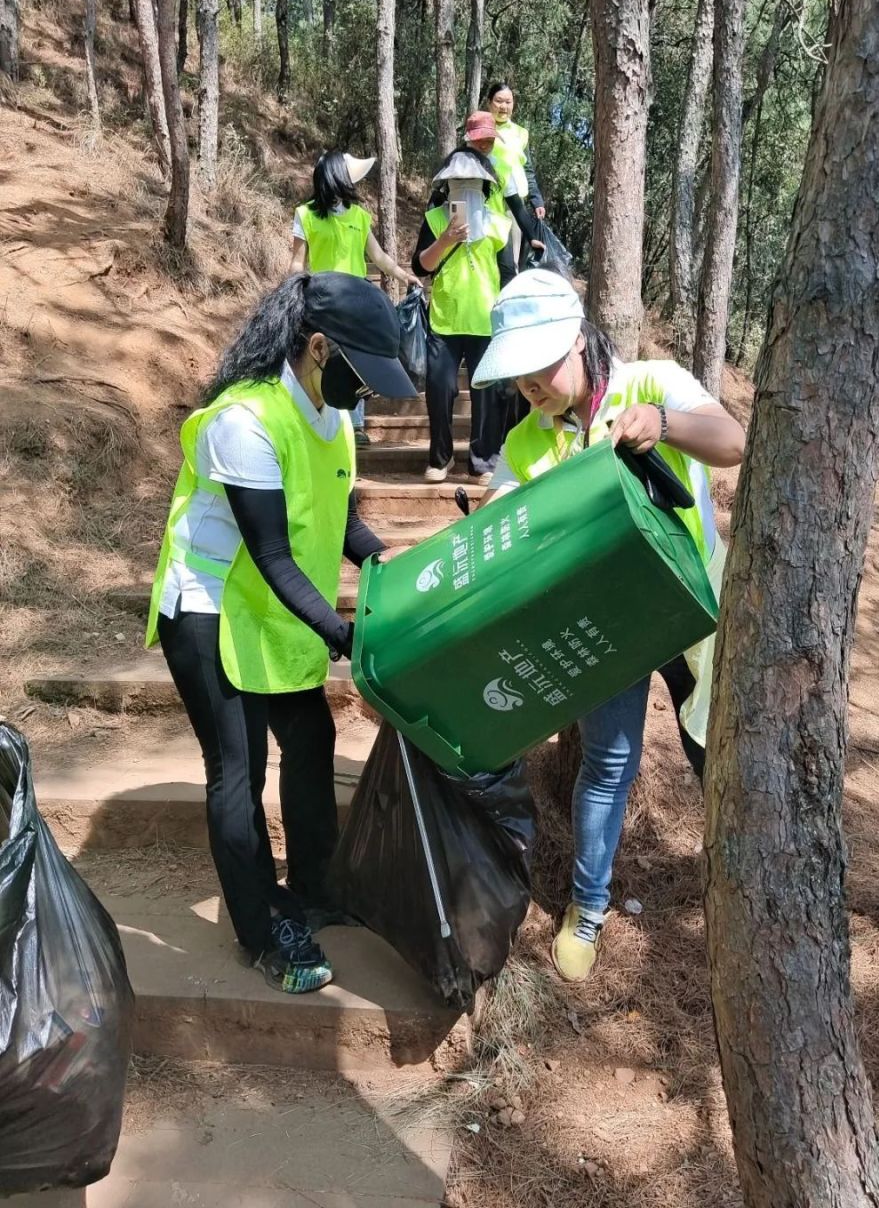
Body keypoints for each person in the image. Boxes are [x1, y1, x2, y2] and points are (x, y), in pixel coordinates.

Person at [144, 272, 417, 995]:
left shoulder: (330, 415)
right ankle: (265, 929)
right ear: (319, 348)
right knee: (238, 773)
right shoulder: (245, 420)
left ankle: (319, 890)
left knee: (311, 739)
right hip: (210, 608)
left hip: (276, 608)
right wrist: (345, 633)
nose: (374, 393)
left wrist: (393, 564)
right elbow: (268, 552)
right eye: (365, 376)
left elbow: (340, 522)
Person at [472, 269, 745, 982]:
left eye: (541, 372)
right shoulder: (527, 443)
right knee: (608, 763)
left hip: (690, 610)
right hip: (607, 629)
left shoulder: (650, 381)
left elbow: (732, 440)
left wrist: (666, 424)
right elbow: (506, 513)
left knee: (715, 749)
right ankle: (588, 907)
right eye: (520, 381)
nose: (531, 391)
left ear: (580, 342)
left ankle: (739, 893)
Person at [412, 111, 542, 483]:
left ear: (485, 186)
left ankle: (483, 459)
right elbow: (421, 266)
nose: (464, 186)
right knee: (441, 387)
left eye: (472, 182)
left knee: (488, 394)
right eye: (457, 182)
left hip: (486, 320)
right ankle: (440, 458)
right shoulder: (436, 219)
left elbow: (506, 274)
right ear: (447, 185)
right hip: (445, 318)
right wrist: (446, 240)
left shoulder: (499, 224)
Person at [289, 150, 417, 445]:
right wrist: (291, 293)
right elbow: (297, 262)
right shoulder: (305, 214)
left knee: (357, 360)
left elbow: (378, 256)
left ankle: (356, 425)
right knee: (323, 359)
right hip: (321, 301)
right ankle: (322, 417)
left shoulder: (359, 216)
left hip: (356, 301)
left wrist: (401, 274)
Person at [486, 80, 546, 266]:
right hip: (488, 204)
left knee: (512, 259)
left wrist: (536, 199)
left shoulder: (521, 133)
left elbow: (527, 168)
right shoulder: (482, 129)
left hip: (515, 206)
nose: (503, 106)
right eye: (499, 101)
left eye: (508, 102)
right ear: (489, 103)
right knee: (489, 256)